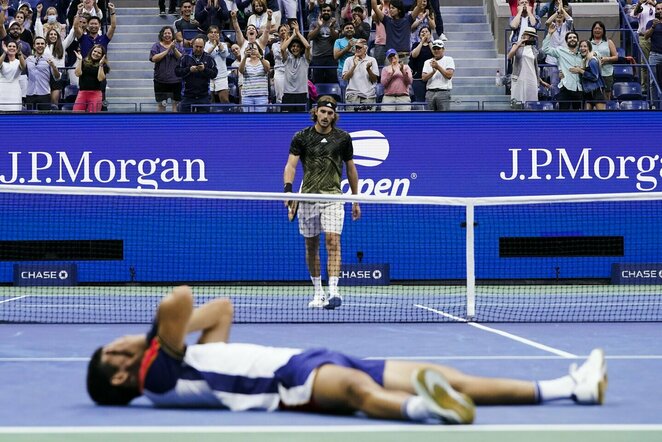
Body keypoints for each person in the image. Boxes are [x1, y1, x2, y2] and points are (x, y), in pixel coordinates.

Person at [86, 286, 609, 423]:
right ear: (118, 378)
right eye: (112, 352)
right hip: (288, 384)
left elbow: (219, 309)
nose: (119, 345)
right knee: (361, 393)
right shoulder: (155, 378)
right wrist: (146, 338)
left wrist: (163, 337)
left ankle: (570, 388)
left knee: (443, 372)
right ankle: (425, 409)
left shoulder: (183, 364)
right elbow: (175, 299)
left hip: (307, 355)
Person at [283, 97, 360, 309]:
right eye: (323, 112)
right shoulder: (302, 137)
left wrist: (355, 199)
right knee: (311, 246)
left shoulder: (343, 138)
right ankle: (318, 293)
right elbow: (291, 165)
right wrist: (288, 191)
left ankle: (334, 290)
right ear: (316, 112)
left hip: (333, 197)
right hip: (307, 197)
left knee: (333, 242)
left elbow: (351, 169)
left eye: (330, 113)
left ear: (334, 115)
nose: (326, 116)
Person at [542, 26, 582, 110]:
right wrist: (549, 34)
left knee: (579, 116)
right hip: (565, 88)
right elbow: (545, 49)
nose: (572, 39)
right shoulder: (560, 51)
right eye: (570, 38)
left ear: (577, 41)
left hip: (579, 88)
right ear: (566, 41)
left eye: (574, 37)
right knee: (564, 115)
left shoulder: (582, 54)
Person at [508, 27, 549, 108]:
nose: (527, 37)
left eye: (530, 36)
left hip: (531, 78)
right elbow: (509, 56)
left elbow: (534, 66)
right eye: (527, 35)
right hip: (519, 76)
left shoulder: (534, 50)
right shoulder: (516, 45)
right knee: (517, 102)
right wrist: (519, 44)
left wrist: (541, 81)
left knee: (531, 102)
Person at [175, 36, 218, 112]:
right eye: (196, 46)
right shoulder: (185, 57)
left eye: (201, 47)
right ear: (192, 45)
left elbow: (214, 74)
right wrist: (189, 69)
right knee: (185, 121)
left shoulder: (209, 58)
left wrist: (204, 69)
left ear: (204, 46)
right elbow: (177, 72)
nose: (198, 49)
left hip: (204, 96)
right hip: (187, 96)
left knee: (203, 122)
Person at [150, 25, 183, 112]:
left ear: (172, 35)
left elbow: (182, 58)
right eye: (165, 33)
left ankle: (175, 124)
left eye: (169, 33)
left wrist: (174, 49)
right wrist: (168, 50)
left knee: (175, 105)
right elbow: (154, 58)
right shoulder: (156, 46)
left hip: (176, 81)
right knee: (161, 105)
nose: (167, 35)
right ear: (162, 35)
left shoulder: (178, 45)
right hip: (160, 81)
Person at [281, 20, 311, 111]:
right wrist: (293, 35)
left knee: (301, 119)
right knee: (286, 120)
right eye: (293, 46)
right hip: (288, 93)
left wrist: (298, 33)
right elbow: (282, 49)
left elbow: (308, 46)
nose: (295, 48)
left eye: (298, 46)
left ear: (301, 48)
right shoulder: (287, 60)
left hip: (301, 93)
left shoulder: (305, 60)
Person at [342, 37, 379, 109]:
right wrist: (354, 66)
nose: (357, 49)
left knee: (368, 120)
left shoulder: (372, 60)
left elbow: (374, 79)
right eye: (356, 47)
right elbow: (345, 77)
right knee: (352, 120)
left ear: (366, 49)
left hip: (368, 96)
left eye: (359, 47)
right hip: (352, 96)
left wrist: (368, 69)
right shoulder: (349, 60)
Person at [25, 35, 60, 110]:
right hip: (30, 94)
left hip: (44, 94)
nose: (40, 45)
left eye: (42, 44)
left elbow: (57, 77)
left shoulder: (50, 59)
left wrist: (53, 66)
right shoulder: (28, 59)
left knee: (44, 120)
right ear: (34, 46)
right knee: (29, 119)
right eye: (38, 44)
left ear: (45, 45)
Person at [570, 40, 605, 110]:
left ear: (589, 48)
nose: (582, 48)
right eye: (581, 46)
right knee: (587, 117)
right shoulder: (584, 60)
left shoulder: (592, 60)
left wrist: (580, 71)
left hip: (596, 91)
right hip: (587, 92)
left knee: (601, 116)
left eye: (585, 46)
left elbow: (595, 77)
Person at [308, 3, 338, 84]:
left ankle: (332, 97)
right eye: (324, 11)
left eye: (328, 10)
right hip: (317, 57)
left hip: (331, 57)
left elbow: (336, 38)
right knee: (317, 82)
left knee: (332, 82)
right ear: (321, 12)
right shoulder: (314, 23)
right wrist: (319, 27)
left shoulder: (335, 23)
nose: (326, 12)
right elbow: (310, 37)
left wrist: (331, 28)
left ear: (331, 12)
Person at [73, 43, 108, 112]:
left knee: (93, 117)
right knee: (76, 115)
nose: (96, 53)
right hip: (82, 93)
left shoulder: (104, 65)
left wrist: (101, 64)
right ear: (91, 51)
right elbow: (77, 73)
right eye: (94, 51)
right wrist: (80, 60)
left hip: (95, 94)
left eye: (99, 53)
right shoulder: (83, 62)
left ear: (102, 55)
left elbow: (100, 78)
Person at [421, 38, 454, 111]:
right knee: (429, 118)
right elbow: (423, 78)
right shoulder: (427, 62)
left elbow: (449, 75)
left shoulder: (449, 59)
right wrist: (433, 72)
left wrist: (438, 67)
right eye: (434, 49)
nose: (436, 51)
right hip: (430, 92)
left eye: (438, 49)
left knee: (444, 117)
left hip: (443, 92)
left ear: (443, 49)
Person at [589, 21, 617, 101]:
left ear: (603, 30)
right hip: (593, 73)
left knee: (606, 94)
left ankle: (606, 111)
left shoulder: (609, 42)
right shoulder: (588, 43)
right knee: (593, 94)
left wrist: (607, 59)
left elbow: (616, 57)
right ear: (592, 30)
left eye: (599, 28)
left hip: (606, 72)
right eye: (595, 28)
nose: (597, 30)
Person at [238, 41, 270, 111]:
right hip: (247, 97)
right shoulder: (245, 62)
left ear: (259, 50)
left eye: (255, 49)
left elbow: (267, 69)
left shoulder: (265, 61)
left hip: (262, 96)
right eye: (250, 49)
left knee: (260, 120)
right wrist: (245, 57)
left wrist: (260, 57)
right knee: (248, 120)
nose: (252, 51)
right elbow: (241, 71)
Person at [205, 25, 230, 106]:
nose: (213, 34)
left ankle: (226, 117)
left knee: (225, 101)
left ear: (219, 34)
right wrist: (213, 46)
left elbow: (225, 54)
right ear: (208, 34)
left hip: (221, 76)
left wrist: (218, 44)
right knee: (209, 102)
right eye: (211, 32)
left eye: (215, 32)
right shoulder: (204, 45)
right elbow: (206, 55)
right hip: (208, 77)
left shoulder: (223, 44)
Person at [0, 40, 25, 110]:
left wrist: (19, 53)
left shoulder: (18, 61)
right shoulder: (2, 61)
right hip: (2, 91)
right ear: (6, 47)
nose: (12, 48)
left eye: (14, 46)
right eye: (9, 46)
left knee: (14, 115)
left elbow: (23, 66)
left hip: (14, 92)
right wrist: (5, 52)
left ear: (17, 49)